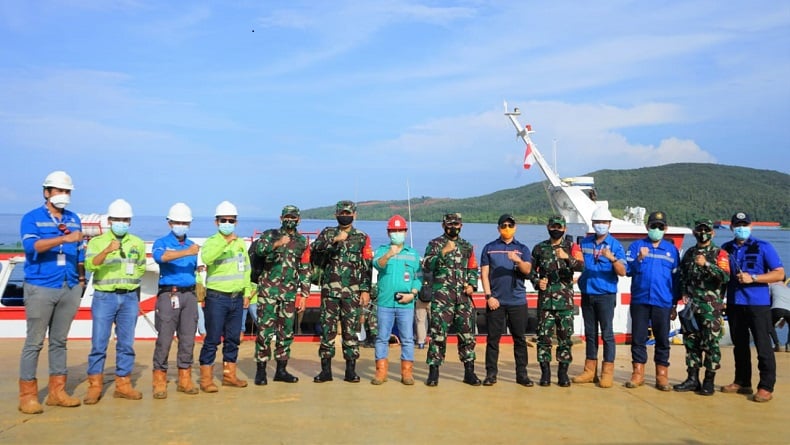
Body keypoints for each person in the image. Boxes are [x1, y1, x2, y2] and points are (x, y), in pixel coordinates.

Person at [18, 171, 84, 414]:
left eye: (67, 191)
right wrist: (63, 240)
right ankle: (28, 396)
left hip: (68, 286)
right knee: (34, 343)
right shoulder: (31, 218)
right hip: (41, 286)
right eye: (59, 191)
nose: (63, 195)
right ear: (47, 192)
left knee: (60, 341)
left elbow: (80, 252)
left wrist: (80, 281)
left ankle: (58, 391)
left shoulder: (74, 218)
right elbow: (31, 246)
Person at [84, 199, 146, 404]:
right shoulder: (97, 242)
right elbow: (90, 265)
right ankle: (94, 385)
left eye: (125, 219)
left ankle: (123, 384)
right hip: (105, 297)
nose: (122, 223)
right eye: (118, 219)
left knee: (126, 343)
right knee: (99, 342)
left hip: (129, 297)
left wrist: (133, 279)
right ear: (110, 220)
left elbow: (141, 266)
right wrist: (107, 250)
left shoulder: (136, 242)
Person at [721, 211, 785, 403]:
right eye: (738, 224)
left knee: (763, 346)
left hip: (758, 305)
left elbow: (779, 274)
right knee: (739, 346)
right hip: (734, 303)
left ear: (751, 226)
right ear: (732, 227)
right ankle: (742, 381)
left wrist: (754, 278)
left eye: (745, 224)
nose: (742, 228)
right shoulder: (726, 249)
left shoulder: (763, 247)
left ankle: (765, 386)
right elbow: (722, 276)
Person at [311, 200, 373, 383]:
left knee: (351, 332)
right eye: (341, 212)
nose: (344, 215)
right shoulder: (328, 233)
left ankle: (350, 371)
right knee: (327, 331)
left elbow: (366, 266)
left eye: (348, 213)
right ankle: (326, 371)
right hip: (330, 291)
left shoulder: (362, 237)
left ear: (354, 215)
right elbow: (315, 249)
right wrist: (334, 240)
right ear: (336, 214)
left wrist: (365, 290)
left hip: (352, 293)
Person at [251, 205, 311, 385]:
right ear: (281, 218)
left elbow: (304, 268)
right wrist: (277, 243)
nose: (290, 220)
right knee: (264, 331)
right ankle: (261, 370)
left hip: (289, 294)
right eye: (287, 217)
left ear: (298, 220)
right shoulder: (270, 235)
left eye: (293, 217)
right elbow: (260, 250)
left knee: (286, 332)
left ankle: (281, 370)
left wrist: (304, 295)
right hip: (268, 292)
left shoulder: (302, 242)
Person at [198, 201, 254, 392]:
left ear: (236, 222)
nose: (228, 223)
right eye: (224, 220)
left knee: (233, 339)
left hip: (237, 298)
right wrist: (225, 241)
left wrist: (247, 293)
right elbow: (207, 258)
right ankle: (206, 379)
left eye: (231, 220)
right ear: (217, 222)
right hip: (217, 298)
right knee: (213, 339)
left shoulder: (240, 243)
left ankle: (229, 375)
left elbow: (246, 269)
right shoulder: (212, 241)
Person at [422, 213, 481, 387]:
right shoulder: (435, 244)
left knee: (467, 337)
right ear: (443, 225)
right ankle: (434, 373)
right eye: (450, 224)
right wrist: (442, 253)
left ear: (461, 226)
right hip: (442, 298)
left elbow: (472, 268)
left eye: (456, 224)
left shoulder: (466, 246)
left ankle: (469, 372)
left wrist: (472, 285)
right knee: (438, 336)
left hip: (463, 299)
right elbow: (426, 264)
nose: (453, 227)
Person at [673, 219, 730, 396]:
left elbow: (725, 277)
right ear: (694, 232)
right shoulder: (689, 253)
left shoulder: (719, 253)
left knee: (711, 344)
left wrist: (706, 264)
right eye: (699, 229)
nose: (702, 232)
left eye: (706, 230)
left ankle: (709, 380)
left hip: (710, 308)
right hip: (691, 307)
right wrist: (680, 297)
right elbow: (682, 276)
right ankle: (692, 378)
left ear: (712, 233)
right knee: (691, 342)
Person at [624, 211, 680, 391]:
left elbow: (676, 279)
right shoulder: (636, 246)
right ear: (647, 227)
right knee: (638, 338)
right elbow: (627, 270)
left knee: (663, 339)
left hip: (663, 301)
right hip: (640, 300)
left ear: (666, 229)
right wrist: (639, 258)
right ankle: (638, 373)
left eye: (660, 227)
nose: (657, 229)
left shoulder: (672, 250)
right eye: (653, 226)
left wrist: (674, 304)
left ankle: (661, 375)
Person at [151, 203, 201, 399]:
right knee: (164, 338)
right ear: (170, 222)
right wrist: (187, 253)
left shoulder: (193, 245)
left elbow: (196, 269)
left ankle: (185, 377)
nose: (181, 225)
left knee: (188, 338)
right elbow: (161, 258)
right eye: (178, 222)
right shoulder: (162, 242)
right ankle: (159, 379)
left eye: (185, 222)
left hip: (189, 295)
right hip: (168, 294)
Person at [574, 206, 626, 388]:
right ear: (593, 224)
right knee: (590, 334)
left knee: (607, 334)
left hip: (605, 295)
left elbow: (622, 272)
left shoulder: (615, 245)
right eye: (598, 222)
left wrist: (612, 258)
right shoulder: (585, 243)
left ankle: (607, 372)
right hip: (588, 293)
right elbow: (580, 263)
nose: (601, 225)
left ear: (609, 224)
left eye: (604, 222)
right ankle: (590, 371)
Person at [479, 214, 533, 387]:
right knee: (493, 339)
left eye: (510, 225)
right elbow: (484, 274)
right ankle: (491, 374)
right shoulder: (489, 248)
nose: (507, 228)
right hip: (496, 302)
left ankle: (522, 374)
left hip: (517, 301)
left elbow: (527, 270)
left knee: (519, 339)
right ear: (498, 228)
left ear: (515, 228)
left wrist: (517, 260)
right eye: (504, 225)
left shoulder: (523, 249)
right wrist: (488, 296)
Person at [530, 215, 584, 387]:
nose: (556, 229)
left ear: (564, 229)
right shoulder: (539, 248)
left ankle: (563, 373)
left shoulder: (572, 247)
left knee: (565, 338)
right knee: (543, 338)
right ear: (548, 227)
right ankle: (545, 373)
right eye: (553, 226)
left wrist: (567, 257)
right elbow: (531, 271)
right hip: (545, 301)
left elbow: (581, 266)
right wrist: (537, 282)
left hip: (565, 302)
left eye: (559, 227)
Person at [371, 215, 422, 385]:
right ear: (388, 232)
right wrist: (389, 254)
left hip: (406, 304)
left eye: (400, 230)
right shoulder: (381, 250)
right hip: (385, 302)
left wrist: (413, 294)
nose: (397, 233)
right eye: (394, 230)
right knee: (382, 338)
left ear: (405, 232)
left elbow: (418, 277)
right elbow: (377, 265)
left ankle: (407, 373)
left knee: (407, 339)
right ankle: (381, 372)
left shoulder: (413, 254)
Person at [769, 279, 790, 352]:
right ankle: (789, 345)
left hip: (777, 308)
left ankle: (777, 343)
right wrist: (784, 318)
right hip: (789, 310)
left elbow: (767, 299)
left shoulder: (772, 285)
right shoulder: (788, 289)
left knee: (769, 324)